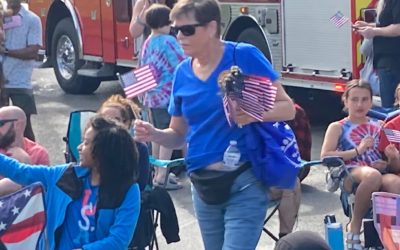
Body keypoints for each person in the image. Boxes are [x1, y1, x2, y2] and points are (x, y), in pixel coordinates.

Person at [134, 0, 296, 248]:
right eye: (176, 29)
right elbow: (178, 134)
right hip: (202, 186)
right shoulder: (182, 72)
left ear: (211, 27)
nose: (179, 36)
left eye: (187, 30)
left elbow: (287, 108)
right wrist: (154, 133)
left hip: (244, 181)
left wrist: (253, 113)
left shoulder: (242, 55)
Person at [0, 116, 141, 249]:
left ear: (104, 151)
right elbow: (19, 171)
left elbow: (119, 241)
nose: (79, 147)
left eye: (86, 143)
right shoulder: (64, 175)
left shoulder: (128, 190)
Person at [320, 79, 400, 250]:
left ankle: (391, 235)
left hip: (376, 171)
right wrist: (358, 150)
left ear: (371, 101)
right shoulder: (337, 127)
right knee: (372, 176)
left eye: (364, 99)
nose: (359, 104)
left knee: (395, 182)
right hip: (349, 171)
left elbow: (387, 159)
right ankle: (354, 226)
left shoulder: (379, 125)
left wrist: (388, 162)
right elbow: (325, 155)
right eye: (354, 99)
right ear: (346, 101)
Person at [140, 4, 185, 189]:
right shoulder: (169, 41)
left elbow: (142, 68)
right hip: (168, 96)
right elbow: (182, 63)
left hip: (152, 97)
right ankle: (162, 176)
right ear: (164, 22)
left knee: (156, 135)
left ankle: (156, 172)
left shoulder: (148, 41)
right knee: (167, 134)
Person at [0, 0, 42, 141]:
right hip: (1, 82)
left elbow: (32, 52)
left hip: (20, 82)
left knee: (24, 127)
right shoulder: (1, 17)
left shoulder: (32, 19)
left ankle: (33, 159)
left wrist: (6, 51)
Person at [353, 0, 400, 108]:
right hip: (387, 62)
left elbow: (398, 27)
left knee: (390, 108)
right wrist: (368, 25)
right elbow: (386, 24)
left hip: (392, 62)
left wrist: (374, 31)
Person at [98, 94, 150, 191]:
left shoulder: (139, 148)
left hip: (127, 197)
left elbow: (141, 184)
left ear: (127, 123)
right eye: (105, 119)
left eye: (116, 120)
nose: (110, 123)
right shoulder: (91, 146)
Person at [0, 106, 49, 196]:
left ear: (17, 124)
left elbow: (44, 193)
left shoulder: (38, 153)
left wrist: (27, 164)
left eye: (1, 124)